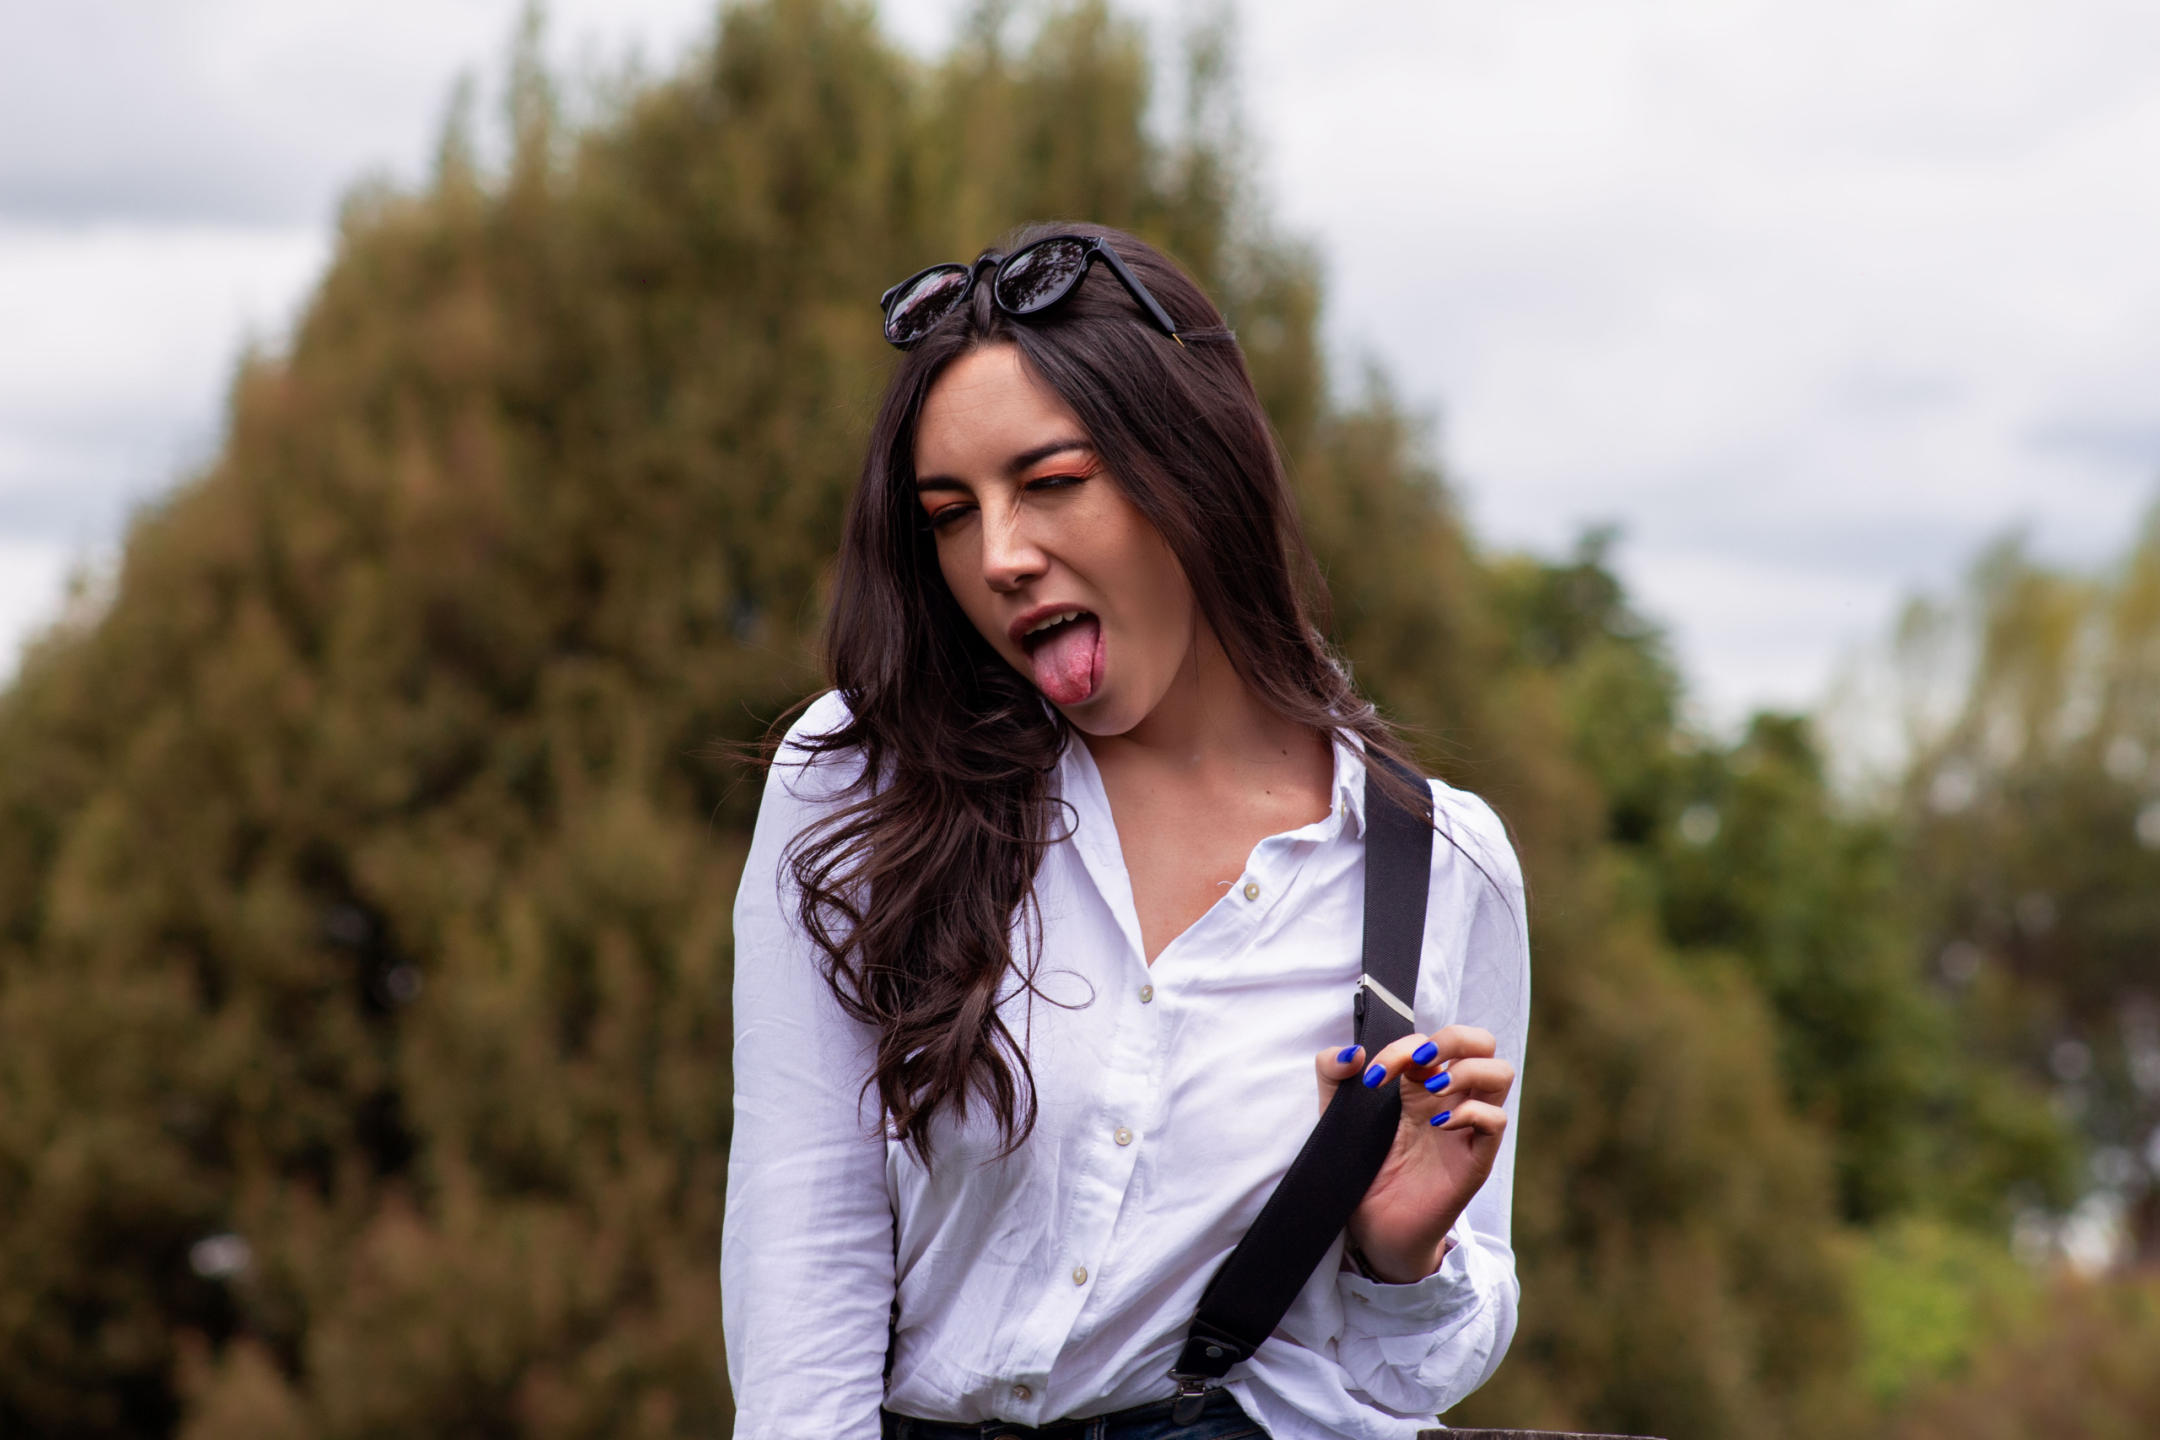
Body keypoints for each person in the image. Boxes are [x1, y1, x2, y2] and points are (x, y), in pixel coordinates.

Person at [722, 224, 1527, 1440]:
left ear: (1192, 465)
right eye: (951, 514)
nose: (999, 557)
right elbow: (804, 1259)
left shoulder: (1433, 865)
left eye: (1051, 482)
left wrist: (1396, 1255)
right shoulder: (865, 776)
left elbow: (1410, 1378)